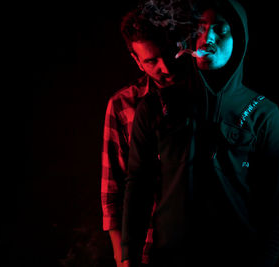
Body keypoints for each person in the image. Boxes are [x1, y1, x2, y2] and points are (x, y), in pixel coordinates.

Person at [123, 0, 279, 266]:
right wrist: (128, 257)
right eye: (200, 29)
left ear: (240, 39)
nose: (208, 38)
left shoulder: (263, 114)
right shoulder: (155, 107)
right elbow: (138, 186)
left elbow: (276, 205)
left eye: (221, 30)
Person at [101, 6, 190, 267]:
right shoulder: (122, 106)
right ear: (136, 60)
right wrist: (124, 258)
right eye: (151, 61)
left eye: (167, 54)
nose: (164, 66)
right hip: (148, 251)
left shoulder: (202, 97)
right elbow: (112, 190)